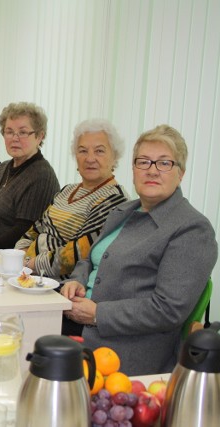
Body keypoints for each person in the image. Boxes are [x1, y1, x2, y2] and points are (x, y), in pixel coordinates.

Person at [61, 124, 217, 375]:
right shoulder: (123, 211)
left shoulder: (193, 230)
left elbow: (168, 310)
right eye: (143, 162)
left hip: (120, 349)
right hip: (78, 321)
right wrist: (76, 281)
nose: (152, 170)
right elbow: (89, 260)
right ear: (133, 169)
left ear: (181, 173)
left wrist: (98, 314)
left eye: (164, 163)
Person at [15, 119, 129, 283]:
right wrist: (19, 255)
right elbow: (34, 230)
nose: (90, 158)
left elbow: (79, 253)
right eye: (82, 151)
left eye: (99, 151)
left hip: (61, 287)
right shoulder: (67, 190)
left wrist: (29, 264)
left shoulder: (114, 199)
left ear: (115, 156)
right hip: (29, 276)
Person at [0, 102, 60, 252]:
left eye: (23, 132)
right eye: (9, 131)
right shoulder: (2, 167)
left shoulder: (42, 175)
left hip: (3, 259)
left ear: (39, 136)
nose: (14, 138)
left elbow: (24, 230)